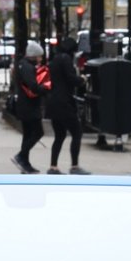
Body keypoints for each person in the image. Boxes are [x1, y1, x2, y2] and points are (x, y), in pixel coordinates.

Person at [46, 37, 89, 174]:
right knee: (77, 132)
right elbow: (71, 78)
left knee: (59, 135)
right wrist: (82, 80)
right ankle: (74, 166)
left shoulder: (55, 59)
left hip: (53, 102)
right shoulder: (66, 59)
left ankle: (53, 166)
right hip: (64, 102)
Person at [11, 41, 47, 173]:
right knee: (38, 132)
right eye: (39, 56)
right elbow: (33, 86)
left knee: (27, 134)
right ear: (34, 55)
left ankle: (24, 163)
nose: (40, 59)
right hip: (30, 106)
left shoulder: (22, 65)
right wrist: (45, 88)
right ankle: (21, 156)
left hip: (24, 104)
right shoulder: (27, 67)